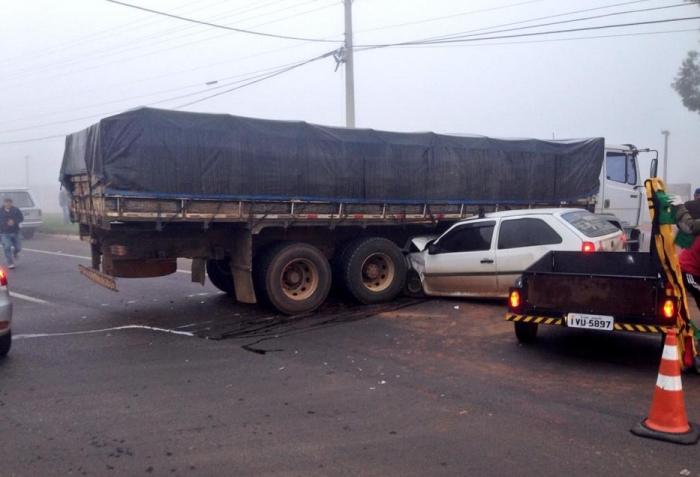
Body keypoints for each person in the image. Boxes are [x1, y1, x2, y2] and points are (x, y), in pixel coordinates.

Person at [671, 197, 700, 309]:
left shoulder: (689, 205)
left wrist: (679, 207)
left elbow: (689, 226)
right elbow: (690, 226)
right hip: (688, 270)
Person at [0, 197, 24, 269]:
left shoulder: (16, 210)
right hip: (4, 232)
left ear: (11, 203)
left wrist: (14, 221)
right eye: (6, 202)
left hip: (15, 231)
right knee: (7, 247)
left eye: (9, 202)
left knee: (18, 247)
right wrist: (5, 223)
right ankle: (10, 263)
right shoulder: (0, 211)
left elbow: (21, 218)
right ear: (4, 203)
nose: (8, 204)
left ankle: (15, 252)